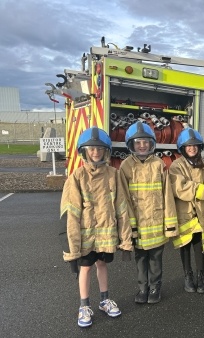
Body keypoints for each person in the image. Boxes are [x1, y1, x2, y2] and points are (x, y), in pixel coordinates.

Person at [59, 126, 133, 328]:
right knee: (85, 268)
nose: (95, 152)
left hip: (106, 235)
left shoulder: (113, 174)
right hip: (85, 237)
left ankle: (104, 300)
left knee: (102, 265)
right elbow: (72, 213)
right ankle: (84, 306)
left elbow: (121, 207)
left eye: (99, 149)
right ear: (84, 151)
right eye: (91, 148)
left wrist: (125, 239)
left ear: (106, 151)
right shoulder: (77, 177)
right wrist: (73, 248)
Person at [119, 121, 178, 304]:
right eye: (138, 142)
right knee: (140, 260)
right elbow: (124, 199)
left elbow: (167, 195)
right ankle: (142, 288)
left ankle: (155, 287)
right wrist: (130, 227)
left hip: (156, 222)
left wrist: (169, 225)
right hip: (137, 224)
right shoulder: (125, 166)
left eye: (145, 142)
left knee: (155, 260)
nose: (142, 146)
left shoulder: (159, 164)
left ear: (151, 143)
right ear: (131, 144)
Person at [169, 128, 204, 294]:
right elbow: (179, 188)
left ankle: (200, 276)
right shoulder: (176, 166)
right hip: (185, 214)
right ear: (182, 148)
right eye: (189, 146)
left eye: (195, 146)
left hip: (200, 213)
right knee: (185, 246)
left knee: (199, 246)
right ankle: (188, 277)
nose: (192, 149)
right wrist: (202, 190)